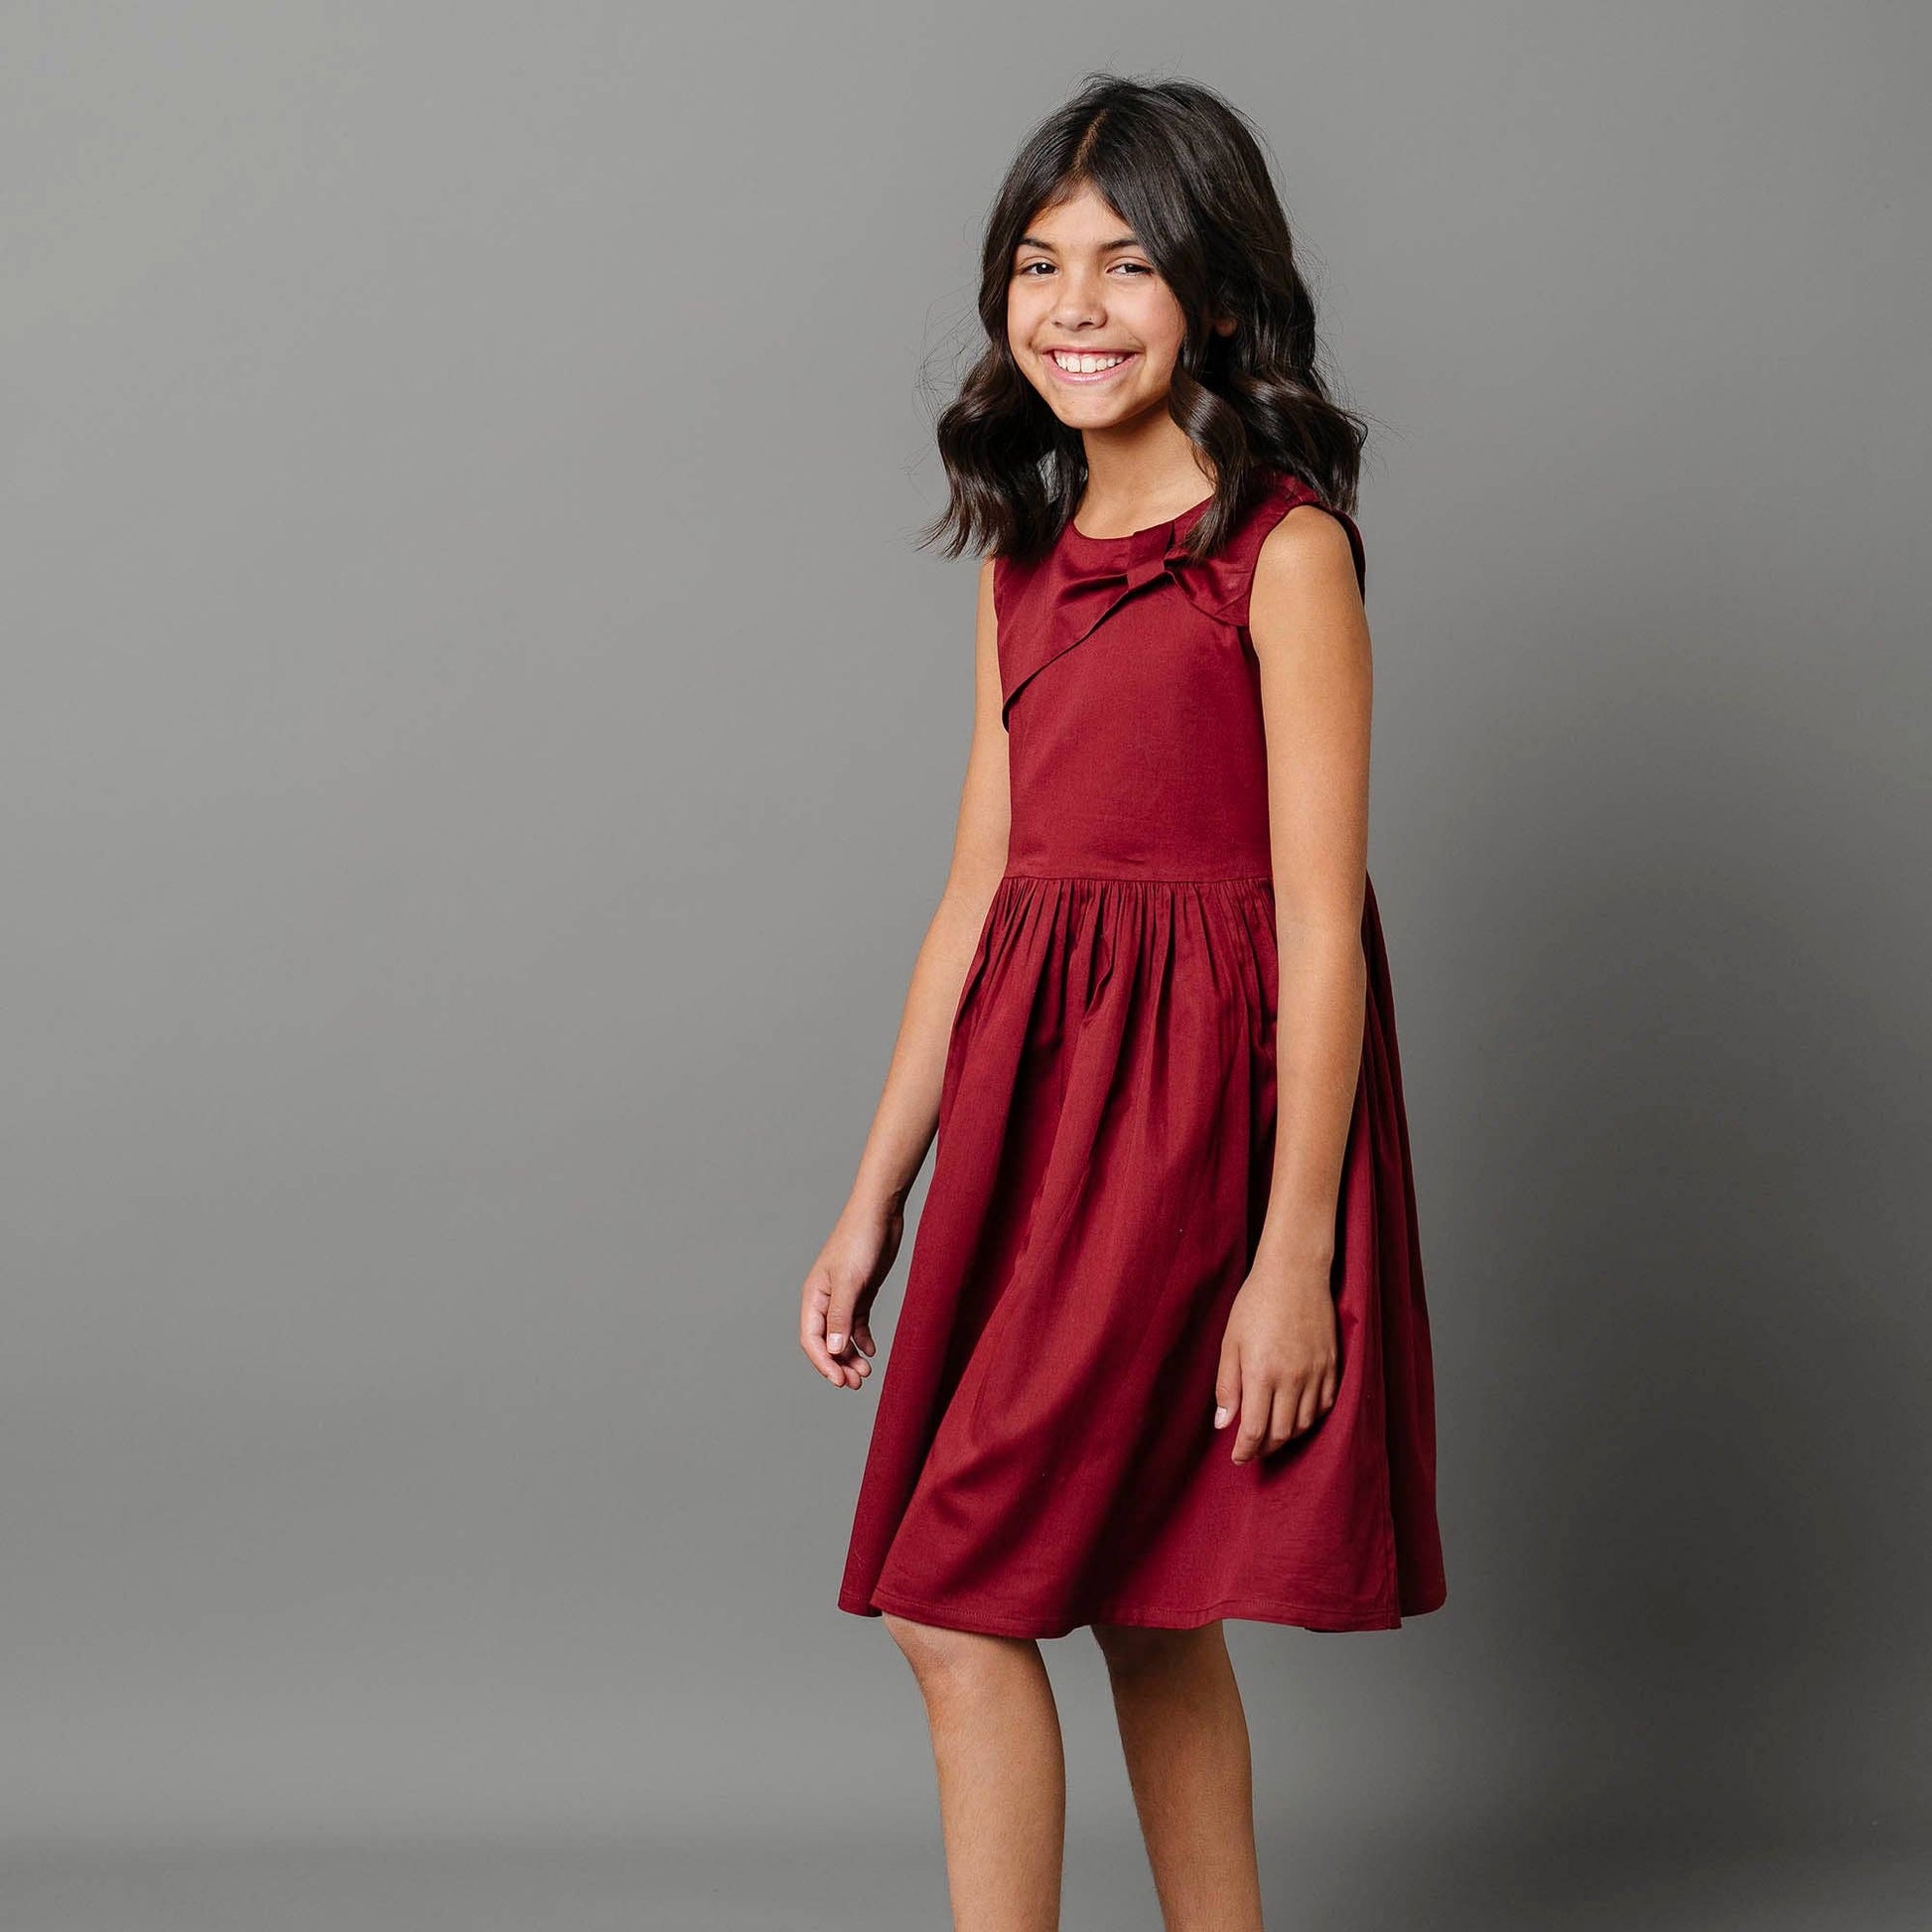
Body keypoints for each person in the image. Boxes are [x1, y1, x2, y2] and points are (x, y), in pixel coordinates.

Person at [797, 73, 1448, 1932]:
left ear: (1216, 300)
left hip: (1189, 1140)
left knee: (955, 1604)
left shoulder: (1281, 556)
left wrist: (1293, 1258)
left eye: (1126, 264)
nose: (1073, 305)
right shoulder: (1022, 565)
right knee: (1149, 1608)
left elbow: (1320, 927)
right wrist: (872, 1199)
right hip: (1039, 1125)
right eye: (1037, 264)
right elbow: (976, 897)